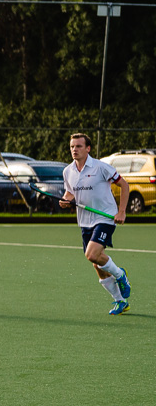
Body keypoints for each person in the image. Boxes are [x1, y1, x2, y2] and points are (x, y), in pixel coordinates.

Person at [60, 133, 131, 315]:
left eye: (78, 146)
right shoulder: (68, 171)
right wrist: (66, 200)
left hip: (105, 217)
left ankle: (120, 274)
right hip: (85, 221)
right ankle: (120, 301)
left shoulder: (100, 167)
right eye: (72, 147)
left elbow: (124, 185)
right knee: (96, 264)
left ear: (88, 148)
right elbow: (70, 193)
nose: (74, 150)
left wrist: (121, 211)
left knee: (91, 254)